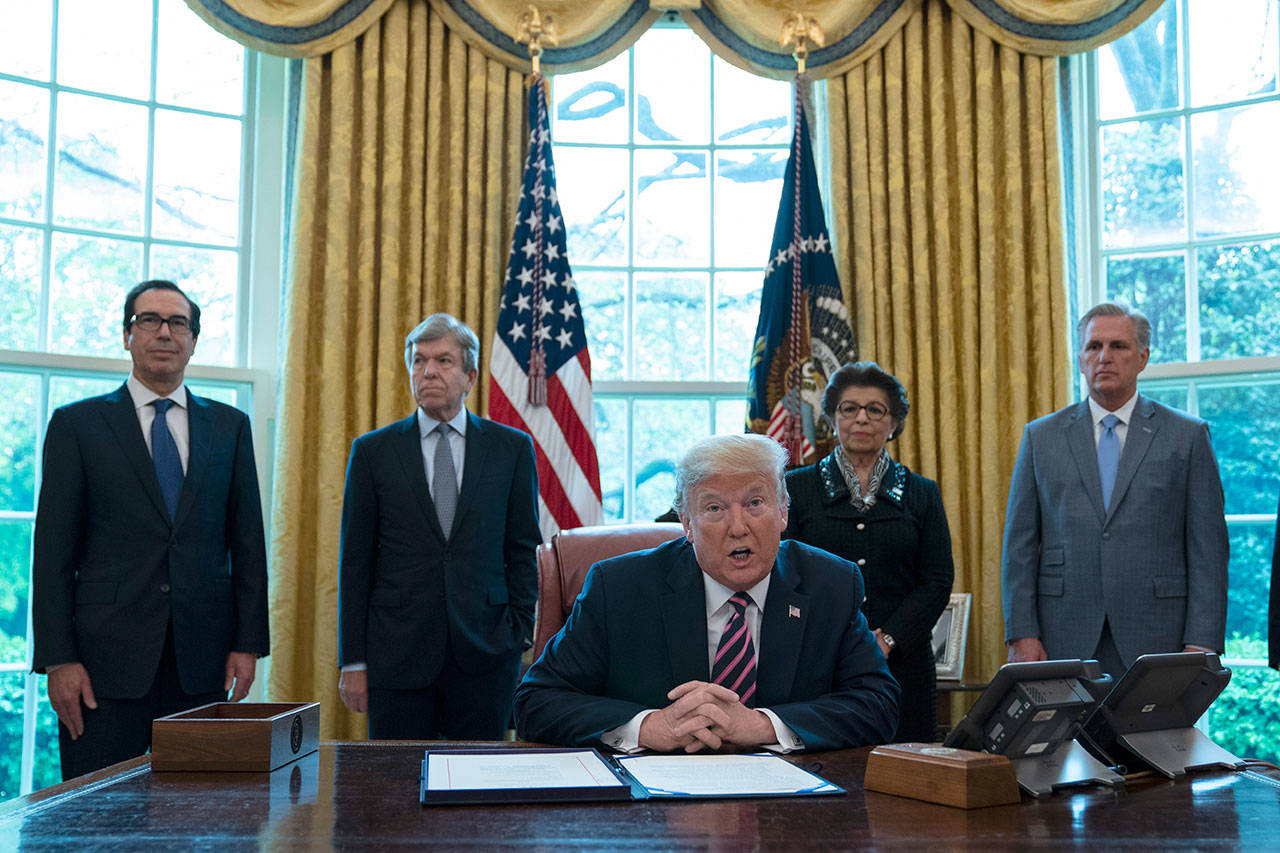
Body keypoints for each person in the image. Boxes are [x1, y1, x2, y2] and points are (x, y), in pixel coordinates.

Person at [515, 433, 900, 753]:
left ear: (782, 511)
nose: (738, 527)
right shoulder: (619, 588)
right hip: (655, 816)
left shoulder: (830, 584)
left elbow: (879, 705)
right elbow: (536, 702)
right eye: (714, 508)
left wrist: (763, 724)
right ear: (686, 523)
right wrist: (648, 727)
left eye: (755, 503)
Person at [32, 279, 270, 780]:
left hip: (200, 665)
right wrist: (58, 661)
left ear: (193, 339)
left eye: (178, 323)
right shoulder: (77, 425)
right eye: (149, 320)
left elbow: (247, 544)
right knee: (96, 820)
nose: (164, 332)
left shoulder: (230, 427)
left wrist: (247, 643)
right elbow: (52, 554)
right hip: (100, 669)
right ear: (127, 336)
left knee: (197, 817)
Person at [337, 313, 541, 739]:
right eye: (419, 360)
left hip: (487, 653)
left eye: (443, 361)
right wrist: (353, 662)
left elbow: (522, 548)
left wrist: (518, 633)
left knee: (481, 789)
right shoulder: (373, 452)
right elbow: (354, 564)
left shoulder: (512, 449)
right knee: (393, 793)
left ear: (469, 376)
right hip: (397, 656)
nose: (428, 370)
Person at [1002, 302, 1229, 676]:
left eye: (1118, 346)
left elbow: (1209, 551)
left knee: (1151, 736)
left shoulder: (1186, 437)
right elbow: (1019, 546)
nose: (1104, 357)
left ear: (1143, 357)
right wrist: (1021, 633)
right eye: (1094, 347)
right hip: (1061, 633)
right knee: (1065, 737)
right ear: (1080, 358)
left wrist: (1202, 642)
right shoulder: (1041, 437)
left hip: (1159, 636)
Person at [784, 362, 954, 743]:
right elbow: (787, 571)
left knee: (910, 778)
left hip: (904, 662)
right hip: (819, 661)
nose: (862, 418)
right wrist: (837, 639)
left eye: (875, 410)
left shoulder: (922, 493)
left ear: (893, 423)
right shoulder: (796, 488)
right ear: (832, 419)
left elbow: (937, 581)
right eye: (849, 408)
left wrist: (888, 639)